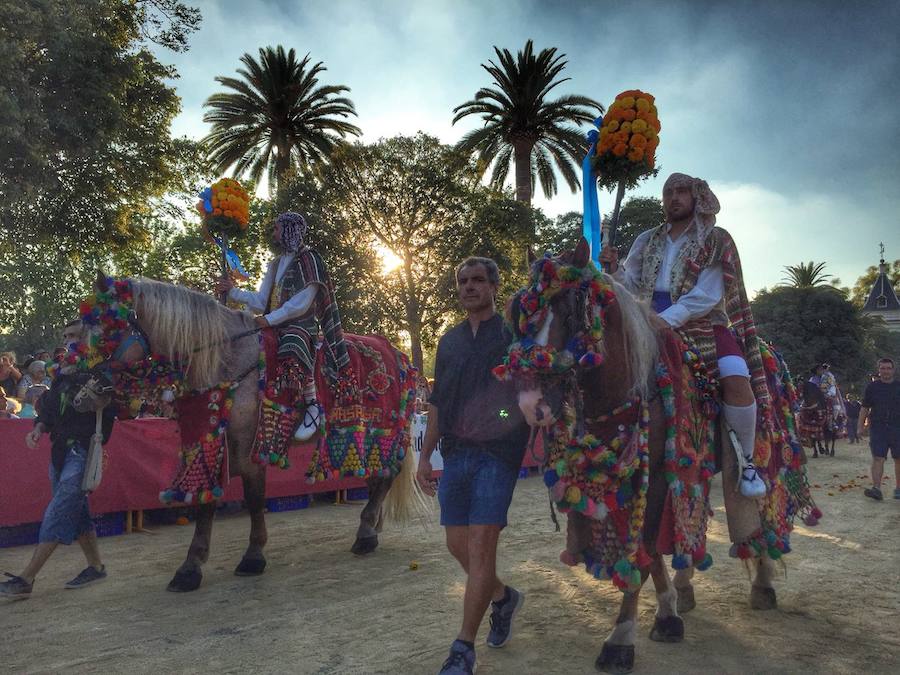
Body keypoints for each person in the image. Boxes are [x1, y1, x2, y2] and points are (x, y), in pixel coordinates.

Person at [600, 172, 766, 498]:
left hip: (703, 322)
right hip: (646, 321)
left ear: (696, 197)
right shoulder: (646, 239)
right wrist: (614, 269)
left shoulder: (716, 239)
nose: (673, 198)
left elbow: (705, 295)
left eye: (681, 192)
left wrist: (664, 320)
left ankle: (747, 463)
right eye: (668, 192)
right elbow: (629, 285)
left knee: (735, 376)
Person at [416, 257, 529, 675]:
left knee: (482, 547)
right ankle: (502, 597)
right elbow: (438, 404)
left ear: (494, 286)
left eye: (477, 280)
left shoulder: (513, 336)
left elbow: (528, 391)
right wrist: (426, 456)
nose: (468, 287)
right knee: (457, 547)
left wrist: (506, 422)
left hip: (498, 454)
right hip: (457, 453)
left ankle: (463, 648)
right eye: (462, 281)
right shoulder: (449, 342)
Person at [0, 320, 117, 598]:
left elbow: (112, 409)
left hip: (82, 450)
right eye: (65, 336)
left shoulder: (102, 370)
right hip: (63, 451)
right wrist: (39, 428)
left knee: (60, 510)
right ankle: (96, 566)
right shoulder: (66, 373)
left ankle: (27, 578)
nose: (67, 341)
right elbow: (51, 408)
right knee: (76, 511)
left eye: (73, 335)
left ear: (88, 338)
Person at [216, 212, 349, 440]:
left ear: (289, 230)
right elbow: (261, 300)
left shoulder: (310, 260)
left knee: (293, 343)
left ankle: (312, 406)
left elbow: (300, 304)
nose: (274, 234)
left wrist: (269, 320)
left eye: (277, 228)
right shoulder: (275, 264)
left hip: (300, 324)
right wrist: (232, 290)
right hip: (274, 322)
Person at [858, 358, 900, 501]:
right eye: (883, 368)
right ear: (879, 370)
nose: (885, 371)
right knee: (878, 458)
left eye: (888, 368)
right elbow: (864, 408)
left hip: (897, 427)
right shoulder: (872, 387)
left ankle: (899, 489)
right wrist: (860, 427)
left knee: (899, 459)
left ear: (893, 370)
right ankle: (876, 489)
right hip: (878, 428)